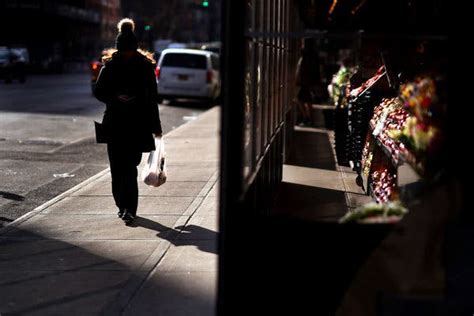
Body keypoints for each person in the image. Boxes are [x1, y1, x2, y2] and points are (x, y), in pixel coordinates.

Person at [93, 18, 163, 225]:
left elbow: (152, 99)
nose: (126, 54)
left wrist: (156, 128)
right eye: (123, 51)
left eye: (129, 51)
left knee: (129, 169)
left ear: (134, 48)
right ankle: (122, 206)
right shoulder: (110, 66)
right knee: (117, 169)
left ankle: (129, 209)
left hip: (136, 125)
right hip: (115, 124)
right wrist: (116, 97)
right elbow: (98, 91)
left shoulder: (145, 67)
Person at [295, 37, 321, 126]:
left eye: (303, 44)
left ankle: (307, 118)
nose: (301, 46)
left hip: (305, 82)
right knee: (307, 100)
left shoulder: (306, 56)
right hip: (308, 82)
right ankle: (308, 118)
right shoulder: (312, 55)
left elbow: (303, 70)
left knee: (301, 99)